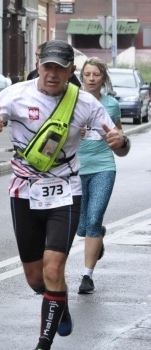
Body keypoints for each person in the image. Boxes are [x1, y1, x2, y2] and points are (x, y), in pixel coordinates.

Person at [0, 40, 130, 350]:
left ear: (71, 71)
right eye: (47, 66)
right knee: (36, 278)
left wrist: (120, 143)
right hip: (24, 192)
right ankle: (59, 301)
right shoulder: (14, 95)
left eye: (60, 68)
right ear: (38, 64)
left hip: (66, 192)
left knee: (55, 268)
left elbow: (121, 144)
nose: (52, 74)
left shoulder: (84, 103)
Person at [76, 57, 127, 294]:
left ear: (103, 78)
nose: (92, 78)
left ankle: (87, 277)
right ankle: (99, 237)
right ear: (82, 77)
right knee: (81, 227)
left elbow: (118, 133)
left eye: (96, 74)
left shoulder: (112, 105)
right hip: (75, 169)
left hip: (104, 167)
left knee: (94, 219)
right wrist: (76, 133)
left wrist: (119, 139)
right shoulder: (72, 103)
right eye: (87, 74)